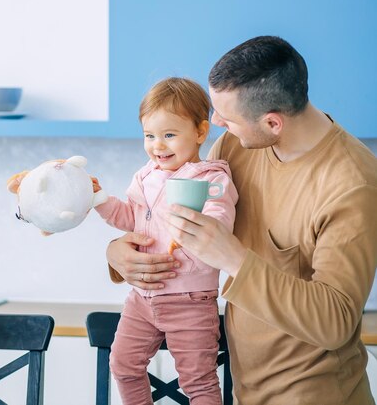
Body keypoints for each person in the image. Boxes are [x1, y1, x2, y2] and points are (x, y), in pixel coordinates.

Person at [106, 36, 377, 405]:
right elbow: (159, 219)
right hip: (244, 391)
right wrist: (117, 254)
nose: (215, 123)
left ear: (272, 122)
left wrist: (232, 256)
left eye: (225, 117)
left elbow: (336, 321)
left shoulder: (352, 184)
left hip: (315, 396)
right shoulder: (236, 147)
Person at [93, 77, 238, 405]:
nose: (158, 146)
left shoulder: (211, 179)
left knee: (197, 381)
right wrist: (99, 198)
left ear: (200, 132)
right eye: (149, 136)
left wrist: (201, 224)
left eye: (169, 135)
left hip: (190, 300)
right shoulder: (145, 176)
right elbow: (129, 217)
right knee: (123, 364)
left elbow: (219, 225)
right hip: (142, 300)